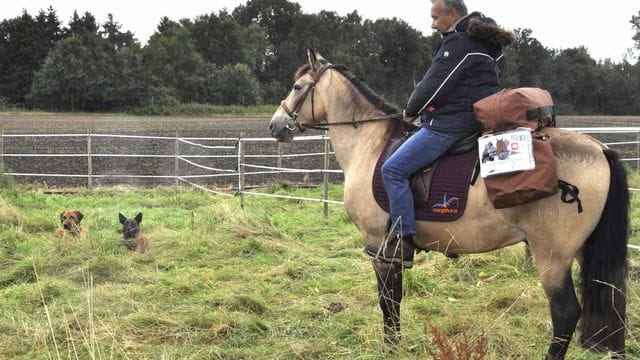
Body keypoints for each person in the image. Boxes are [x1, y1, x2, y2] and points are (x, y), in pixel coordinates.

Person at [365, 0, 514, 268]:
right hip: (477, 118)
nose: (432, 24)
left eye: (435, 17)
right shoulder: (488, 43)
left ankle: (403, 239)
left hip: (450, 124)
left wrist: (411, 110)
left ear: (453, 14)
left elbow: (434, 83)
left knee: (393, 169)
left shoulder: (459, 42)